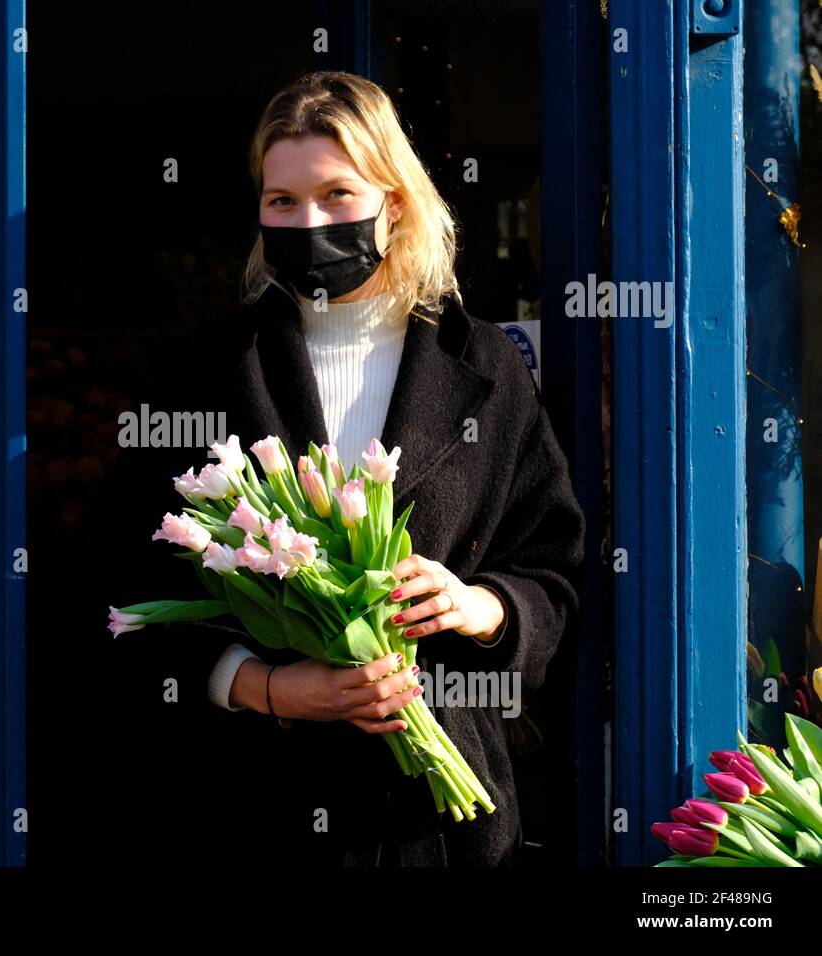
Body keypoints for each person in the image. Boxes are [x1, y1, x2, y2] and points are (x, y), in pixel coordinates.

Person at [103, 71, 586, 868]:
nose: (310, 221)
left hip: (439, 825)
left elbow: (555, 574)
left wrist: (480, 604)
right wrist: (266, 688)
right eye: (282, 201)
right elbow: (129, 585)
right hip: (252, 809)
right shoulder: (208, 371)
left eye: (337, 194)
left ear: (393, 203)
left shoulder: (486, 369)